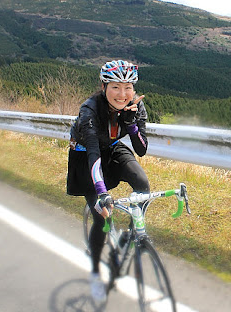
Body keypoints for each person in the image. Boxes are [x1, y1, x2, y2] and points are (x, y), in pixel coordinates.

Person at [66, 60, 149, 302]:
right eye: (115, 87)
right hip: (86, 155)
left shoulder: (135, 107)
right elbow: (93, 151)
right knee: (102, 215)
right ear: (103, 86)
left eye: (128, 87)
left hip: (112, 148)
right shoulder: (90, 110)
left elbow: (141, 149)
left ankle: (129, 237)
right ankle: (94, 273)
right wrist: (102, 193)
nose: (122, 95)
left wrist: (131, 125)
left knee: (142, 184)